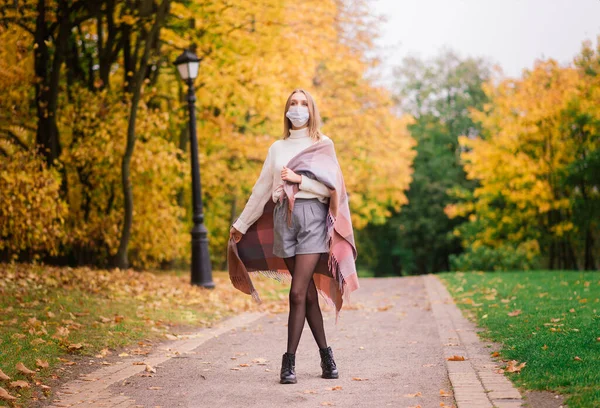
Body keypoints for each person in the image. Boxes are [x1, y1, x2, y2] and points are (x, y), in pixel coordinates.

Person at [229, 89, 339, 384]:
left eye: (304, 104)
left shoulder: (323, 144)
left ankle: (288, 362)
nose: (298, 108)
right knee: (307, 294)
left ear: (312, 110)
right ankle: (327, 357)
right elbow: (262, 189)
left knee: (296, 292)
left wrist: (300, 180)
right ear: (287, 109)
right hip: (284, 220)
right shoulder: (277, 148)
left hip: (312, 218)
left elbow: (333, 189)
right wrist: (241, 223)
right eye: (293, 103)